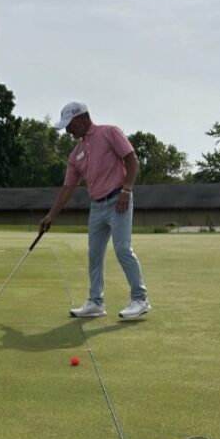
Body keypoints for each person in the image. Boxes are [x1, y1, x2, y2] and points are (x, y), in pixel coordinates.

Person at [39, 101, 151, 320]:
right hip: (97, 206)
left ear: (82, 118)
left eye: (69, 125)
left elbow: (132, 160)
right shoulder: (75, 155)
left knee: (122, 249)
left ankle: (140, 299)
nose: (68, 131)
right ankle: (96, 303)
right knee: (94, 255)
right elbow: (68, 188)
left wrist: (127, 190)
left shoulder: (109, 132)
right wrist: (51, 215)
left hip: (119, 199)